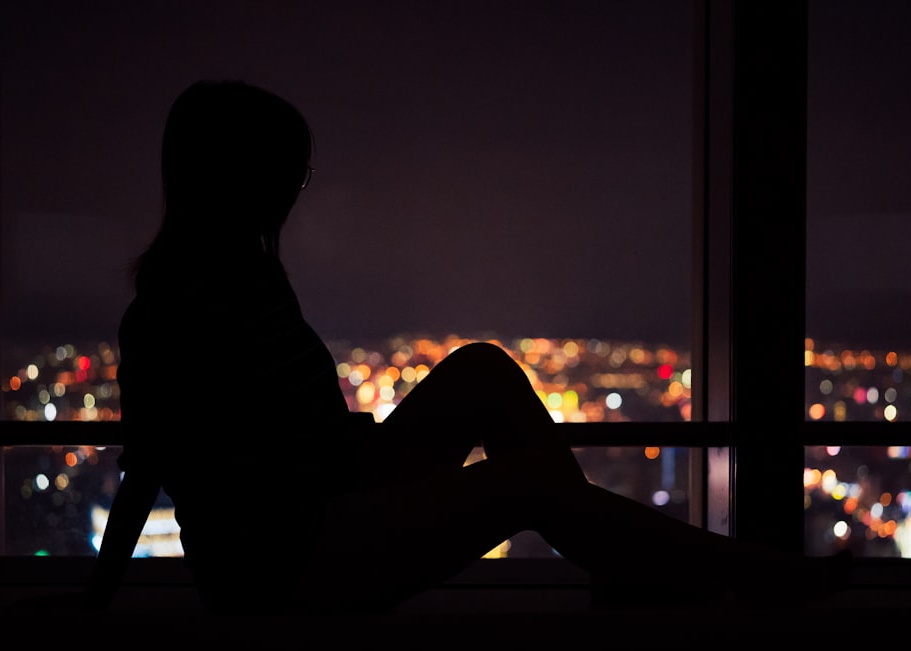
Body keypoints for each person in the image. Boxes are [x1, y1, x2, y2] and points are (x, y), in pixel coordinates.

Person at [85, 79, 849, 615]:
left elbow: (245, 442)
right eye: (288, 173)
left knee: (482, 367)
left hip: (326, 505)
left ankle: (637, 566)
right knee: (524, 485)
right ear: (239, 180)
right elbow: (153, 463)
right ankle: (749, 577)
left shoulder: (246, 282)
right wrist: (96, 597)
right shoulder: (177, 313)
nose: (295, 190)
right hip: (284, 562)